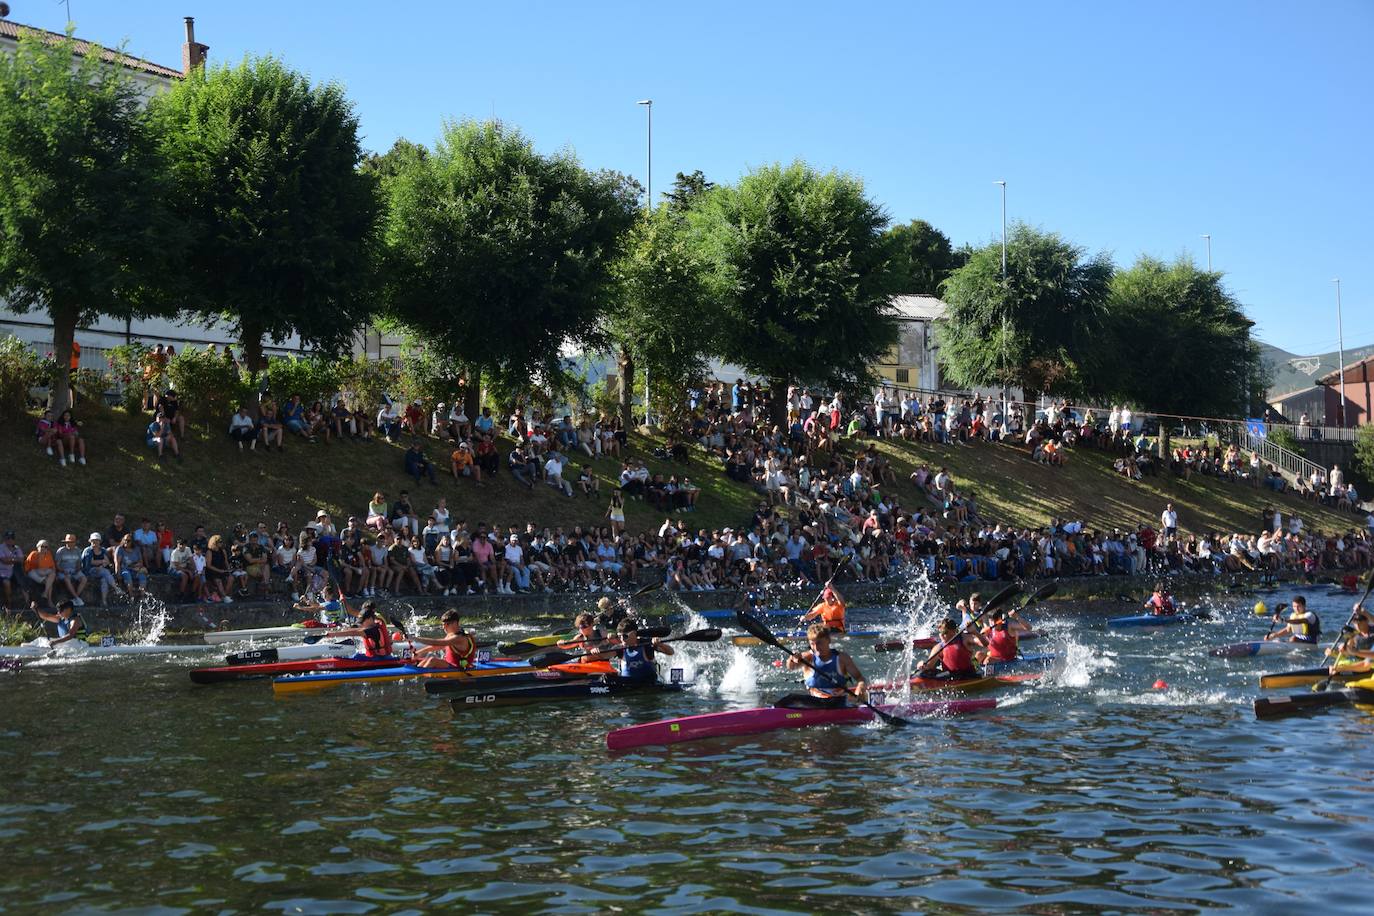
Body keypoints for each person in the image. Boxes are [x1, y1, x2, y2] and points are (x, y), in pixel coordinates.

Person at [781, 623, 867, 706]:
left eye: (819, 643)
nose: (816, 647)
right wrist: (792, 659)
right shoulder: (807, 657)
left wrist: (860, 687)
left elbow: (860, 678)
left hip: (838, 701)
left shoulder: (842, 658)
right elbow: (791, 667)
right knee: (790, 699)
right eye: (812, 644)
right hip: (814, 701)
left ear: (828, 640)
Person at [603, 618, 673, 683]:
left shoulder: (647, 644)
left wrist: (660, 644)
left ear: (634, 633)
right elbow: (603, 656)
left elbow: (671, 652)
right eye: (619, 636)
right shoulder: (619, 648)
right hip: (627, 682)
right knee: (607, 677)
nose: (622, 639)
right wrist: (595, 650)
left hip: (648, 681)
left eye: (625, 636)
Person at [917, 617, 986, 680]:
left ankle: (979, 666)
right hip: (950, 676)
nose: (942, 636)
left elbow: (985, 644)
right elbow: (929, 666)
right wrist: (921, 665)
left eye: (945, 633)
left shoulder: (964, 638)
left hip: (968, 675)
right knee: (923, 673)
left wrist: (975, 632)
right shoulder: (938, 647)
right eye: (940, 633)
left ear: (953, 631)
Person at [322, 601, 394, 658]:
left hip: (379, 660)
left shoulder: (373, 630)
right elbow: (356, 630)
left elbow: (355, 632)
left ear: (369, 619)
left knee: (356, 657)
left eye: (362, 622)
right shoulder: (371, 626)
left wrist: (333, 634)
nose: (361, 624)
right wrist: (338, 632)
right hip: (373, 658)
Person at [411, 609, 477, 669]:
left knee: (432, 660)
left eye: (447, 624)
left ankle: (420, 677)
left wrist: (414, 638)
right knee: (426, 659)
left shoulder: (459, 638)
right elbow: (437, 646)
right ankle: (416, 674)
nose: (444, 627)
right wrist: (418, 653)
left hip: (459, 667)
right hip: (450, 664)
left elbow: (436, 642)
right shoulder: (451, 634)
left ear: (455, 623)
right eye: (443, 624)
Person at [23, 538, 57, 607]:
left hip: (44, 572)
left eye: (46, 547)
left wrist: (46, 570)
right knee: (49, 583)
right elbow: (27, 567)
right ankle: (49, 601)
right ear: (38, 547)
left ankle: (45, 593)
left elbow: (52, 567)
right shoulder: (33, 554)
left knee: (52, 574)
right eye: (42, 546)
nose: (44, 548)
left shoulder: (48, 554)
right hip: (33, 572)